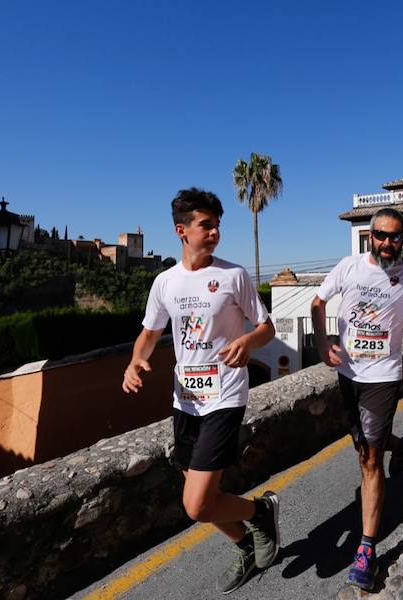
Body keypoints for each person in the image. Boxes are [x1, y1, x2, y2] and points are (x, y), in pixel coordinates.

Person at [122, 188, 280, 595]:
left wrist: (247, 342)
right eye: (205, 225)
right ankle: (246, 544)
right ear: (182, 231)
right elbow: (149, 334)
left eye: (217, 225)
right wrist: (135, 361)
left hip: (225, 396)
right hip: (185, 401)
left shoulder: (233, 276)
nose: (215, 233)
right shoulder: (165, 283)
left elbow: (267, 328)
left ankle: (260, 512)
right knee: (201, 500)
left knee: (195, 505)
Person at [310, 208, 403, 590]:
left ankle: (366, 550)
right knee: (363, 444)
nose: (387, 242)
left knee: (368, 460)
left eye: (395, 236)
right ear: (370, 236)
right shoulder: (349, 267)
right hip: (348, 375)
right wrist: (323, 341)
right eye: (381, 235)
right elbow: (317, 303)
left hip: (382, 377)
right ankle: (401, 445)